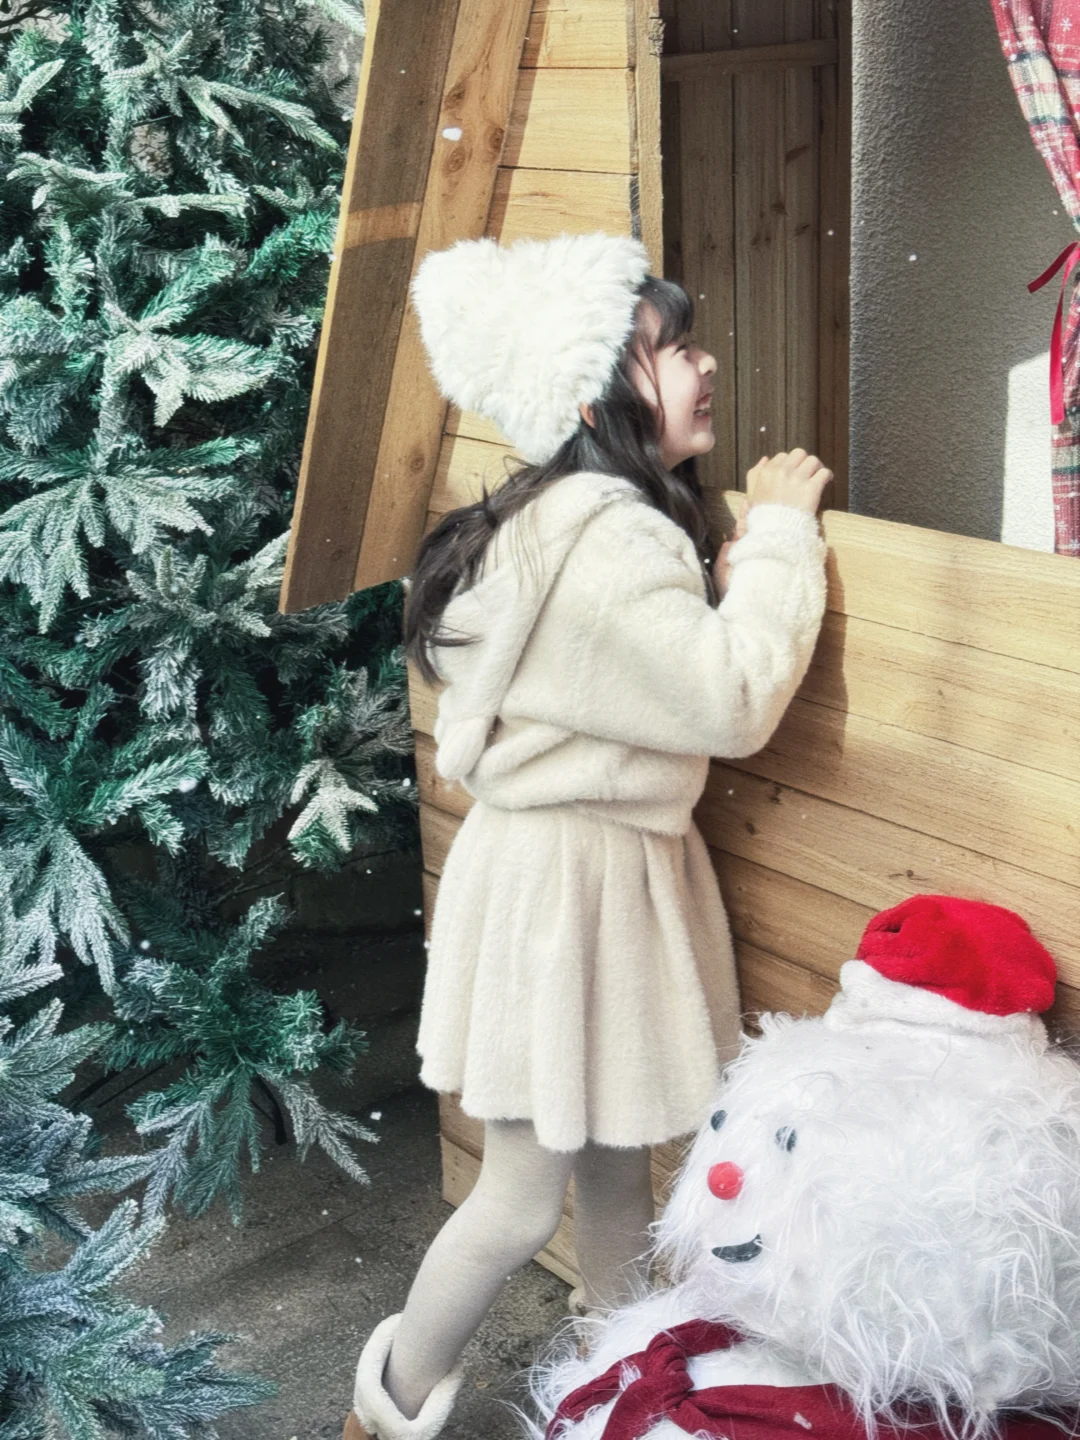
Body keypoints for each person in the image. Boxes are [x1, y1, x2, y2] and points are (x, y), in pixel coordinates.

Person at [344, 231, 831, 1440]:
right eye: (673, 349)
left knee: (618, 1171)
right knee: (521, 1200)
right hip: (571, 890)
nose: (704, 365)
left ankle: (613, 1397)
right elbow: (731, 698)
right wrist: (781, 538)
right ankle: (384, 1412)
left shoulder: (557, 519)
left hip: (561, 880)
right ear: (589, 394)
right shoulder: (610, 537)